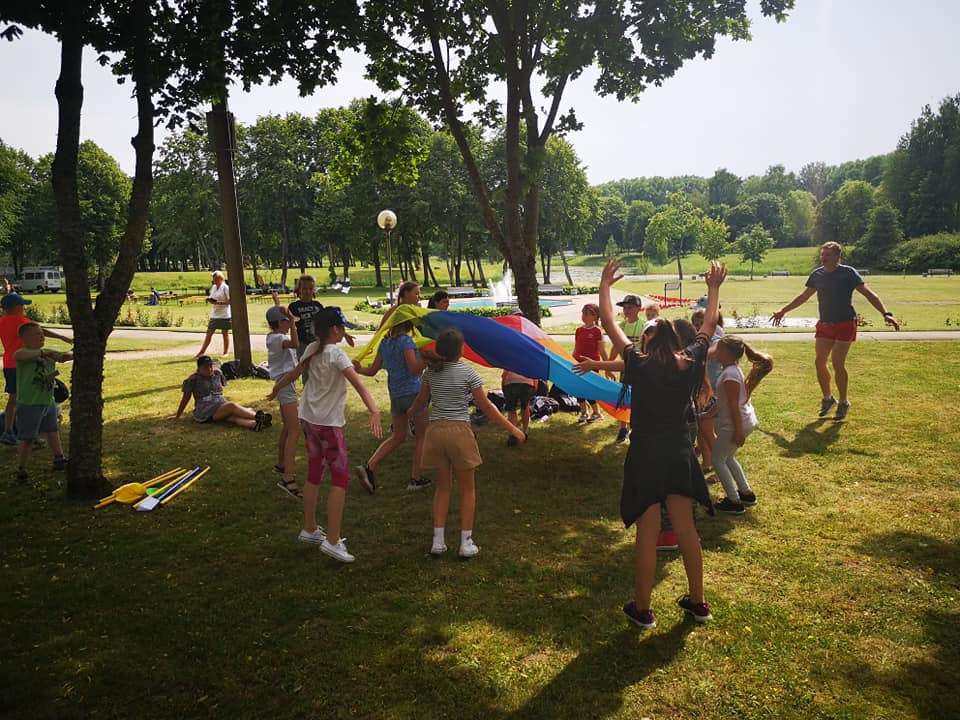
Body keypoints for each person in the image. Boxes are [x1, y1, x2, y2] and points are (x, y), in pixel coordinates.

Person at [598, 257, 727, 629]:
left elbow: (609, 323)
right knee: (686, 529)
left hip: (646, 455)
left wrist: (605, 287)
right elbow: (708, 327)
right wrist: (714, 289)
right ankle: (698, 603)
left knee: (648, 532)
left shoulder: (638, 364)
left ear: (648, 339)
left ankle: (643, 609)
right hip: (679, 453)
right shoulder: (690, 361)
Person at [267, 306, 382, 563]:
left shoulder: (312, 348)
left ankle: (309, 528)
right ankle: (332, 540)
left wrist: (277, 388)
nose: (344, 332)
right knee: (340, 479)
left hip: (309, 420)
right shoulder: (336, 355)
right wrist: (375, 411)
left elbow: (294, 374)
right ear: (335, 330)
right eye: (342, 328)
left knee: (314, 473)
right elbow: (359, 385)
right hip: (328, 426)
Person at [408, 328, 525, 558]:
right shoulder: (468, 373)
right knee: (467, 489)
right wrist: (513, 428)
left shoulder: (430, 373)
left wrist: (410, 413)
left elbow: (421, 400)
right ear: (461, 350)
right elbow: (487, 407)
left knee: (442, 488)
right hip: (459, 432)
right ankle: (466, 542)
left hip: (435, 432)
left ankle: (438, 541)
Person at [771, 241, 899, 420]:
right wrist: (783, 311)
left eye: (827, 255)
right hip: (825, 323)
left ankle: (844, 402)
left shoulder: (848, 273)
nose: (823, 257)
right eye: (822, 254)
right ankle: (828, 398)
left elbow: (869, 294)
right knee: (819, 362)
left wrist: (886, 313)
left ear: (837, 257)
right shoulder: (817, 274)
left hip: (845, 323)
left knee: (838, 363)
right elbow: (804, 296)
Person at [352, 319, 431, 491]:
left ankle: (369, 466)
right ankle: (416, 479)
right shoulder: (406, 341)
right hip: (413, 394)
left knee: (398, 436)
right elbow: (413, 369)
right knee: (422, 436)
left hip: (396, 397)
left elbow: (372, 370)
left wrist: (359, 369)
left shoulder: (385, 343)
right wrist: (428, 359)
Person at [711, 335, 773, 514]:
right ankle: (746, 494)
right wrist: (708, 414)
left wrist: (738, 431)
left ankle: (734, 501)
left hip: (735, 424)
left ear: (727, 353)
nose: (715, 352)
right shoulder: (731, 370)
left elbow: (733, 405)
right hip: (743, 422)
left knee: (717, 459)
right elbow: (724, 400)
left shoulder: (730, 374)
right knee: (728, 457)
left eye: (718, 349)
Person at [0, 293, 73, 446]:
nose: (24, 308)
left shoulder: (2, 321)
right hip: (27, 364)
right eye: (22, 305)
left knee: (14, 399)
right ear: (16, 307)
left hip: (9, 363)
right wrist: (61, 337)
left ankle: (9, 431)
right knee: (29, 399)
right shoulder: (21, 321)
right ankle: (28, 433)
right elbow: (40, 330)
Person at [12, 322, 72, 483]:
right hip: (30, 403)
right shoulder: (22, 352)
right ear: (25, 338)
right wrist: (42, 353)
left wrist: (80, 351)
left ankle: (59, 458)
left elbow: (64, 357)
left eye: (42, 333)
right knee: (28, 438)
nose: (41, 336)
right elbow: (18, 357)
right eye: (37, 334)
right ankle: (22, 468)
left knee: (52, 430)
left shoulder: (49, 352)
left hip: (47, 401)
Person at [170, 355, 269, 430]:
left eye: (210, 366)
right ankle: (258, 416)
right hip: (206, 411)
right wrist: (178, 415)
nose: (209, 369)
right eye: (205, 368)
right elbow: (185, 398)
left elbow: (223, 385)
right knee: (232, 406)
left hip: (220, 406)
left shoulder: (216, 375)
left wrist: (220, 374)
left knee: (233, 417)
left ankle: (255, 424)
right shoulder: (193, 379)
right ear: (198, 369)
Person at [265, 303, 301, 498]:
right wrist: (294, 324)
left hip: (284, 383)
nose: (290, 325)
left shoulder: (272, 337)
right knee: (295, 430)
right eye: (288, 322)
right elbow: (295, 344)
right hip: (285, 384)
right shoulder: (279, 338)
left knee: (288, 427)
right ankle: (288, 479)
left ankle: (281, 464)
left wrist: (286, 313)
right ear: (280, 323)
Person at [607, 294, 645, 444]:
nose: (626, 310)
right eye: (624, 308)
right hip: (625, 368)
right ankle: (623, 428)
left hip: (641, 368)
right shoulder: (621, 326)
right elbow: (616, 347)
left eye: (630, 307)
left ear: (638, 309)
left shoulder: (644, 326)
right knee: (624, 397)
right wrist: (609, 365)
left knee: (639, 398)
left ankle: (636, 426)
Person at [572, 303, 610, 424]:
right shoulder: (579, 330)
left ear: (595, 316)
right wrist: (571, 360)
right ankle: (584, 411)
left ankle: (596, 412)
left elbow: (602, 350)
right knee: (577, 388)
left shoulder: (597, 331)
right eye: (583, 313)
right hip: (578, 364)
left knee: (588, 389)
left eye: (587, 314)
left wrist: (608, 367)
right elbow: (576, 348)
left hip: (592, 365)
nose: (584, 316)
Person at [193, 271, 231, 359]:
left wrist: (218, 303)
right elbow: (212, 297)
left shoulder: (226, 288)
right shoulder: (213, 287)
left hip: (224, 314)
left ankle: (225, 352)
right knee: (209, 332)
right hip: (215, 313)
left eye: (216, 278)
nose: (214, 280)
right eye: (213, 278)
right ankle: (201, 352)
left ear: (221, 278)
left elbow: (230, 301)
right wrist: (210, 300)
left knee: (225, 333)